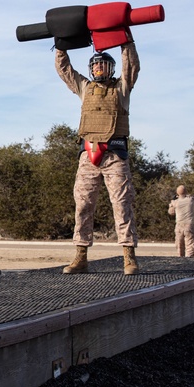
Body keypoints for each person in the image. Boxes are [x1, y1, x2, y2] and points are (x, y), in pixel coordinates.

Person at [55, 43, 141, 275]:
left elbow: (131, 66)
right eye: (95, 65)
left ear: (111, 68)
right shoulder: (85, 87)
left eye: (103, 64)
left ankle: (129, 257)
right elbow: (65, 71)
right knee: (83, 205)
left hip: (115, 154)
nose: (99, 68)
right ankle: (81, 256)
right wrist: (61, 48)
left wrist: (127, 43)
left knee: (122, 205)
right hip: (88, 155)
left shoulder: (122, 88)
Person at [167, 185, 194, 257]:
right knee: (190, 244)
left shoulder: (175, 202)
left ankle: (180, 258)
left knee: (179, 245)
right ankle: (189, 259)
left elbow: (171, 212)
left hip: (179, 225)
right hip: (189, 224)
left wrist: (171, 205)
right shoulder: (191, 200)